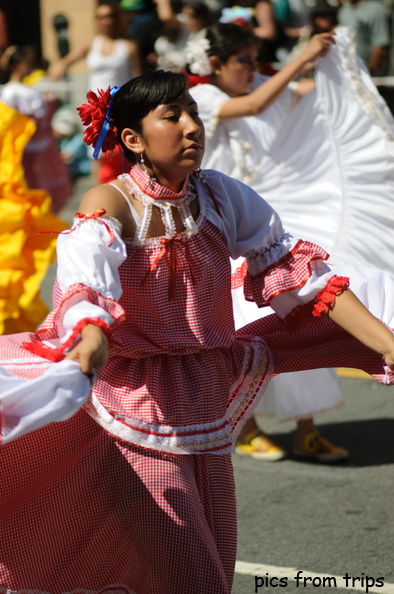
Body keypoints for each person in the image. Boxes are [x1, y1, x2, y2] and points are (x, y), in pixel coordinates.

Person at [0, 70, 393, 593]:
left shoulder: (220, 196)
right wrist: (88, 334)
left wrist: (388, 342)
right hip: (135, 393)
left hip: (204, 390)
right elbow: (83, 276)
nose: (192, 127)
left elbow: (302, 274)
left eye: (193, 114)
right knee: (189, 560)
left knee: (214, 537)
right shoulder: (113, 201)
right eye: (173, 117)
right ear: (133, 140)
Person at [188, 22, 394, 460]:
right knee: (246, 326)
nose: (250, 69)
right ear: (215, 64)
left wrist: (333, 67)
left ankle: (306, 427)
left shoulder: (263, 81)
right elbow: (257, 103)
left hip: (271, 214)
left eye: (252, 59)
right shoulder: (205, 98)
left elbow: (293, 93)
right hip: (229, 227)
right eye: (242, 61)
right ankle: (245, 426)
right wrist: (301, 56)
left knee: (306, 306)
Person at [49, 0, 142, 183]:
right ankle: (99, 198)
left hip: (120, 107)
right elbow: (67, 60)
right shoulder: (92, 44)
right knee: (96, 153)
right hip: (95, 111)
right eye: (100, 17)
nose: (104, 21)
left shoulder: (129, 45)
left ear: (116, 19)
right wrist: (59, 68)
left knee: (123, 151)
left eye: (108, 16)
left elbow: (137, 77)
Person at [0, 45, 72, 214]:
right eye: (25, 64)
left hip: (41, 146)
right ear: (16, 66)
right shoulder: (11, 92)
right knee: (31, 187)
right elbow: (10, 122)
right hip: (26, 149)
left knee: (44, 187)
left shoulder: (28, 89)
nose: (29, 67)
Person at [338, 0, 392, 76]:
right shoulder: (344, 11)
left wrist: (369, 73)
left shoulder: (376, 10)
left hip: (371, 74)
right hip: (349, 72)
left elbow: (380, 44)